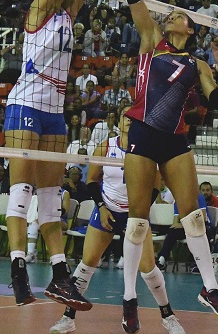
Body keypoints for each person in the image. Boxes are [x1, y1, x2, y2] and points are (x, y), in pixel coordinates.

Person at [116, 0, 218, 331]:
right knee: (138, 219)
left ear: (189, 28)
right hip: (144, 132)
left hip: (175, 140)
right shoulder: (151, 40)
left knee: (194, 215)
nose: (172, 15)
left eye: (179, 15)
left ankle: (210, 288)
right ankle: (130, 298)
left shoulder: (197, 64)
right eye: (170, 14)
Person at [2, 0, 104, 311]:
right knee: (21, 190)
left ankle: (60, 275)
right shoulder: (38, 11)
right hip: (25, 104)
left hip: (54, 113)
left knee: (50, 197)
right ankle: (18, 270)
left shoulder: (68, 14)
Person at [50, 106, 187, 334]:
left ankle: (168, 317)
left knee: (149, 269)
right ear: (118, 121)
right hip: (108, 209)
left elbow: (155, 185)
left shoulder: (147, 149)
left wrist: (140, 211)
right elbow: (92, 181)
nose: (128, 121)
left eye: (133, 118)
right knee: (86, 265)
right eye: (125, 117)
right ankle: (68, 318)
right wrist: (102, 208)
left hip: (135, 214)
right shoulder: (105, 146)